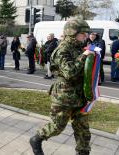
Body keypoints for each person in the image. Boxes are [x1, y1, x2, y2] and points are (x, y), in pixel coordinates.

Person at [29, 18, 94, 155]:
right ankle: (37, 139)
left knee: (83, 130)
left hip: (79, 95)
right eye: (83, 34)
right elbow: (69, 72)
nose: (86, 36)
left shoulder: (79, 47)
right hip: (64, 96)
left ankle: (83, 152)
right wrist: (84, 56)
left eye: (86, 34)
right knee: (57, 127)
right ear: (72, 33)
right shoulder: (62, 50)